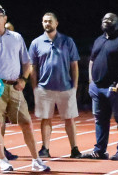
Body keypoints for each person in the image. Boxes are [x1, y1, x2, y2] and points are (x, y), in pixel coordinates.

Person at [0, 5, 48, 172]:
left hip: (14, 86)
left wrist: (23, 79)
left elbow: (26, 62)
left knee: (26, 123)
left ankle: (36, 160)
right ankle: (2, 160)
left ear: (5, 18)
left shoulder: (16, 37)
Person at [27, 12, 81, 159]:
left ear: (56, 23)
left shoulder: (67, 41)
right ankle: (45, 148)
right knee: (45, 118)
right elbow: (33, 68)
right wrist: (34, 87)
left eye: (50, 21)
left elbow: (74, 65)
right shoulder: (36, 43)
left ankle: (74, 149)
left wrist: (75, 86)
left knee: (69, 118)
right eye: (44, 21)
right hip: (44, 87)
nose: (47, 24)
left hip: (65, 87)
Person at [86, 12, 118, 160]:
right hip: (98, 88)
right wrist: (91, 82)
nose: (106, 21)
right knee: (100, 120)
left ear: (117, 23)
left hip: (117, 89)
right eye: (104, 19)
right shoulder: (98, 40)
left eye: (110, 19)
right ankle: (100, 150)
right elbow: (92, 61)